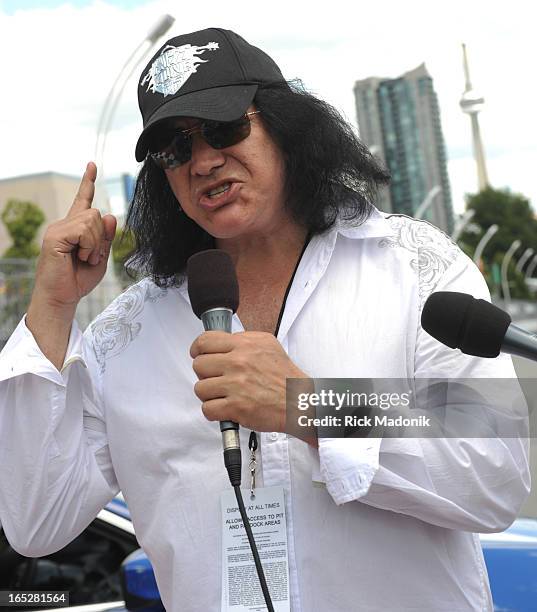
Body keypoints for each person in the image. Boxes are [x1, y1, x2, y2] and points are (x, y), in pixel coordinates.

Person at [0, 27, 530, 612]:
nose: (202, 160)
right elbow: (36, 520)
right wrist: (51, 308)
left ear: (284, 126)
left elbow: (495, 472)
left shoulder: (411, 267)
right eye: (175, 147)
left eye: (225, 127)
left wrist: (308, 405)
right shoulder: (126, 335)